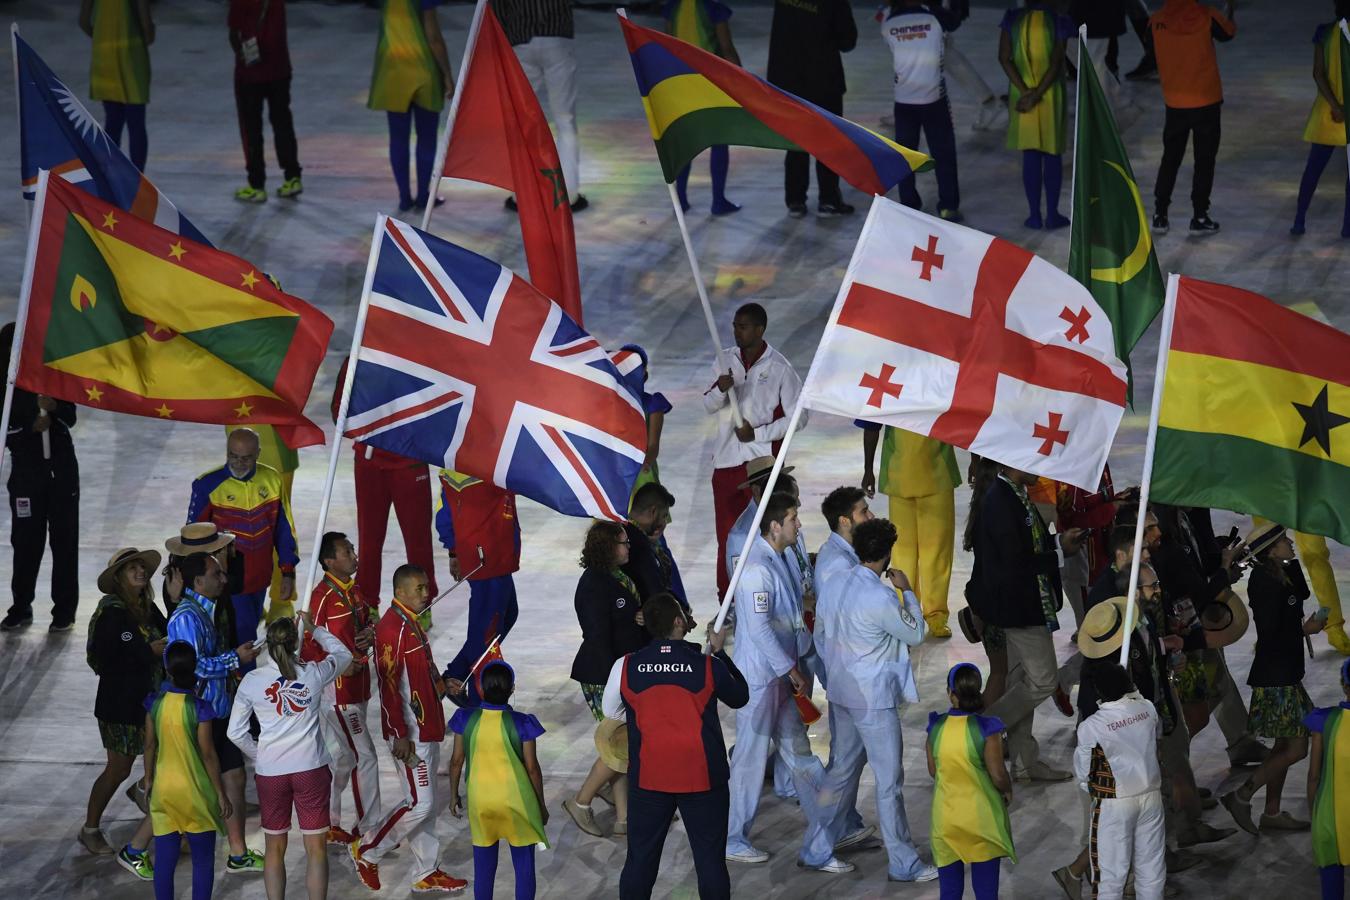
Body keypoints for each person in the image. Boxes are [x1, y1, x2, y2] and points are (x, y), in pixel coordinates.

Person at [803, 517, 936, 881]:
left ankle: (815, 847)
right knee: (889, 782)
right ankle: (903, 863)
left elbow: (822, 633)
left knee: (840, 773)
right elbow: (917, 633)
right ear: (887, 553)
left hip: (842, 693)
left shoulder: (833, 585)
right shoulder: (880, 597)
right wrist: (907, 592)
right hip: (873, 701)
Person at [603, 592, 750, 898]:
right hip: (703, 778)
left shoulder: (626, 666)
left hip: (649, 779)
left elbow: (611, 712)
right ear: (680, 622)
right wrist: (720, 653)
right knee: (710, 862)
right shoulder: (709, 666)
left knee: (640, 861)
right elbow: (740, 697)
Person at [725, 492, 829, 865]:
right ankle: (733, 837)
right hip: (761, 680)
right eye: (792, 518)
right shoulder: (757, 570)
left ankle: (834, 823)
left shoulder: (778, 559)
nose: (798, 524)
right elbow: (759, 629)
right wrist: (792, 669)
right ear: (774, 525)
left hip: (778, 678)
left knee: (799, 752)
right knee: (750, 761)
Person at [350, 565, 467, 893]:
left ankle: (426, 870)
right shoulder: (392, 631)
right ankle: (369, 851)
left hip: (425, 728)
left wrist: (442, 685)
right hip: (410, 736)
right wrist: (398, 733)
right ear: (399, 592)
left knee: (422, 802)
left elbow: (417, 675)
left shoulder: (409, 624)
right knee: (421, 804)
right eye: (418, 588)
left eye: (427, 587)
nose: (425, 593)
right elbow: (389, 687)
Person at [971, 465, 1085, 781]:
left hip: (1021, 605)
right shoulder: (1001, 501)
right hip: (1018, 609)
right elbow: (1014, 563)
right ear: (1012, 461)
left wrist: (1057, 542)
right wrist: (1059, 552)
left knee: (1020, 682)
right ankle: (975, 733)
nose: (1043, 469)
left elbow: (1028, 545)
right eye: (1034, 461)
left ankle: (1025, 762)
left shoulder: (1014, 494)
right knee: (1045, 681)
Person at [229, 614, 352, 900]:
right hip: (311, 769)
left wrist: (261, 754)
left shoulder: (251, 681)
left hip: (271, 773)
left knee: (274, 848)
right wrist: (315, 629)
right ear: (296, 643)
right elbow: (343, 654)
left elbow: (235, 733)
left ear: (267, 645)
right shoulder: (313, 672)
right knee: (316, 849)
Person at [164, 549, 265, 874]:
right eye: (217, 574)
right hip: (198, 717)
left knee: (235, 776)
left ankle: (237, 852)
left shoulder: (206, 611)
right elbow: (193, 666)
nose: (224, 579)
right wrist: (235, 659)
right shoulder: (186, 617)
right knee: (196, 787)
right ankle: (139, 846)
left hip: (219, 711)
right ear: (198, 581)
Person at [1222, 523, 1323, 835]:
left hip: (1286, 672)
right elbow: (1269, 631)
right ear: (1270, 550)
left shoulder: (1280, 572)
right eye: (1284, 541)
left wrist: (1290, 561)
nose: (1290, 542)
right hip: (1276, 676)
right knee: (1297, 748)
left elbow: (1302, 593)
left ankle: (1272, 812)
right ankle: (1241, 794)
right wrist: (1303, 630)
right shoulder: (1263, 581)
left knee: (1283, 745)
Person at [703, 303, 805, 598]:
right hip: (725, 464)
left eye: (743, 326)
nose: (737, 331)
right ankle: (729, 600)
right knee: (727, 538)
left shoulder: (780, 368)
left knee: (769, 533)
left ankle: (776, 595)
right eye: (735, 325)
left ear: (760, 330)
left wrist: (757, 434)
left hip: (762, 466)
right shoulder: (724, 361)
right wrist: (721, 390)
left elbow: (799, 418)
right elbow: (707, 405)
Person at [83, 548, 166, 872]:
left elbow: (168, 633)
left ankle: (144, 792)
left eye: (142, 567)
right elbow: (109, 659)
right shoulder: (112, 613)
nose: (141, 572)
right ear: (118, 577)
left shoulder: (148, 608)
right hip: (119, 704)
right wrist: (148, 651)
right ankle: (89, 828)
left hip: (147, 701)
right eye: (132, 568)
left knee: (159, 759)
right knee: (117, 768)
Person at [333, 361, 440, 609]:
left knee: (418, 541)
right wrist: (362, 424)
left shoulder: (416, 354)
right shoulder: (357, 358)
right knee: (369, 540)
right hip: (370, 464)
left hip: (409, 462)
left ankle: (422, 603)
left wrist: (413, 436)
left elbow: (434, 404)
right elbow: (340, 410)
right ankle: (367, 604)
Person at [564, 520, 647, 838]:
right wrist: (620, 682)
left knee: (622, 745)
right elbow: (598, 636)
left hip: (620, 672)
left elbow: (623, 617)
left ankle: (624, 818)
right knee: (618, 746)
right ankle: (581, 802)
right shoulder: (594, 585)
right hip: (604, 675)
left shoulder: (618, 577)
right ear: (607, 548)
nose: (629, 547)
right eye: (623, 542)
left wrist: (637, 617)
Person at [300, 531, 381, 845]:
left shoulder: (354, 590)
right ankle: (370, 829)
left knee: (343, 760)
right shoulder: (320, 598)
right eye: (347, 552)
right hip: (338, 692)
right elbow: (306, 645)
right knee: (366, 756)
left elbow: (367, 620)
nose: (354, 555)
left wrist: (370, 633)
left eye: (353, 550)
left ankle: (328, 823)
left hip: (359, 687)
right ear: (329, 561)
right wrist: (339, 665)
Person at [187, 427, 299, 650]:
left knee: (247, 631)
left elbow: (284, 531)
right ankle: (242, 680)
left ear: (258, 453)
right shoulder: (207, 484)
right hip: (226, 581)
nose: (238, 462)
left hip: (260, 577)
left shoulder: (272, 479)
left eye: (246, 457)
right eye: (232, 456)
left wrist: (287, 572)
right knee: (243, 638)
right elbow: (193, 536)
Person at [0, 323, 80, 633]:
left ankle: (64, 611)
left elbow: (70, 417)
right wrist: (26, 431)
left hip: (61, 473)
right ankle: (21, 607)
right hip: (26, 476)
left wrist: (54, 407)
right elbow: (4, 432)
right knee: (25, 543)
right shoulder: (5, 386)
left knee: (64, 542)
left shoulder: (50, 374)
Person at [448, 661, 548, 900]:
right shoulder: (523, 722)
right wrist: (541, 806)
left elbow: (456, 761)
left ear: (480, 688)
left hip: (480, 801)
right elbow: (532, 768)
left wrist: (453, 795)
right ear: (512, 689)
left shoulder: (464, 718)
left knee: (483, 870)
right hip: (517, 802)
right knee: (524, 869)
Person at [144, 640, 230, 900]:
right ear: (194, 669)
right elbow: (208, 754)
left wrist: (149, 781)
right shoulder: (200, 708)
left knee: (164, 863)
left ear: (168, 670)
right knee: (203, 862)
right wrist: (221, 793)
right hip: (195, 793)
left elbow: (149, 745)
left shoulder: (154, 703)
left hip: (164, 792)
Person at [1073, 660, 1166, 900]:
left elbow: (1084, 771)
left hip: (1113, 803)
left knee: (1110, 875)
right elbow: (1156, 740)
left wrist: (1091, 791)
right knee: (1152, 868)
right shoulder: (1147, 709)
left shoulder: (1091, 727)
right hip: (1151, 795)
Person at [860, 423, 960, 637]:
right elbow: (871, 423)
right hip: (902, 474)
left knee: (936, 551)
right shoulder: (895, 388)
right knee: (903, 552)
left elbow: (963, 414)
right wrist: (868, 469)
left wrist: (978, 462)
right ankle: (906, 614)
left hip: (935, 472)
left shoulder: (939, 387)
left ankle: (936, 615)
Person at [926, 663, 1014, 899]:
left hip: (946, 820)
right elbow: (998, 775)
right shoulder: (987, 728)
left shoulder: (935, 727)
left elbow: (933, 770)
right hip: (981, 820)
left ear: (950, 693)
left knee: (950, 892)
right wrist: (1007, 790)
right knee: (986, 893)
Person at [1148, 0, 1237, 236]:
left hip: (1175, 103)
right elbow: (1228, 32)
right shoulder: (1207, 17)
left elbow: (1150, 46)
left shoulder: (1156, 21)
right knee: (1204, 161)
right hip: (1206, 101)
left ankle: (1160, 214)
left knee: (1170, 159)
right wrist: (1231, 7)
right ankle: (1199, 215)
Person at [766, 0, 858, 217]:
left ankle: (796, 200)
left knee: (797, 142)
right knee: (829, 141)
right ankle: (828, 199)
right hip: (824, 79)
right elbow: (848, 40)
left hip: (789, 82)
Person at [435, 470, 519, 704]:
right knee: (486, 633)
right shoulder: (483, 464)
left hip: (497, 557)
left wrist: (453, 549)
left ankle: (455, 675)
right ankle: (475, 701)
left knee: (507, 616)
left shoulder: (481, 460)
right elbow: (446, 509)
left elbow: (444, 510)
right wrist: (453, 549)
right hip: (486, 559)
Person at [496, 0, 587, 211]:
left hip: (520, 41)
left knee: (521, 122)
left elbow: (498, 9)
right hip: (557, 38)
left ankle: (520, 194)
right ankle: (570, 195)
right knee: (565, 121)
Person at [368, 0, 455, 211]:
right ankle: (424, 196)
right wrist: (447, 74)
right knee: (426, 138)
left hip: (393, 71)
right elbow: (434, 38)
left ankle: (404, 198)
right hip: (424, 73)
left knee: (398, 138)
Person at [999, 1, 1074, 229]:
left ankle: (1034, 215)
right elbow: (1057, 62)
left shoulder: (1012, 18)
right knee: (1052, 154)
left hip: (1021, 94)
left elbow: (1004, 57)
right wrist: (1038, 93)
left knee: (1030, 154)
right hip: (1050, 95)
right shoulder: (1059, 20)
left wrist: (1025, 92)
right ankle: (1052, 214)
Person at [884, 0, 962, 221]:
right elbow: (954, 21)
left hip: (904, 100)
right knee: (944, 154)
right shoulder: (936, 18)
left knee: (905, 156)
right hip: (933, 98)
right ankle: (948, 205)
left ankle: (909, 205)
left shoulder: (889, 23)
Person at [665, 0, 741, 215]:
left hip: (680, 85)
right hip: (710, 85)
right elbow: (727, 49)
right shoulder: (713, 7)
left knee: (685, 144)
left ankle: (680, 200)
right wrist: (743, 82)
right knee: (719, 142)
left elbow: (665, 46)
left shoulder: (673, 7)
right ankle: (718, 201)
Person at [228, 0, 303, 202]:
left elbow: (234, 33)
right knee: (282, 122)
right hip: (279, 68)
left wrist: (243, 55)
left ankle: (256, 184)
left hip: (251, 74)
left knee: (251, 128)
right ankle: (293, 176)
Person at [1291, 1, 1350, 237]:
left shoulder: (1324, 32)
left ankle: (1299, 219)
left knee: (1313, 171)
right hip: (1342, 114)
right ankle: (1347, 227)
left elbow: (1318, 73)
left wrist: (1335, 105)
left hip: (1327, 114)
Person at [79, 0, 153, 171]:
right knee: (136, 123)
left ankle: (109, 175)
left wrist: (101, 36)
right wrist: (147, 34)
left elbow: (83, 21)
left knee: (112, 122)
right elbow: (146, 24)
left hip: (105, 56)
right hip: (132, 56)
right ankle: (138, 178)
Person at [1304, 658, 1350, 899]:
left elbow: (1314, 777)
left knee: (1331, 890)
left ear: (1344, 685)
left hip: (1329, 820)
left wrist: (1315, 815)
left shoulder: (1324, 721)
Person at [620, 344, 673, 499]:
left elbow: (653, 446)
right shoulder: (613, 403)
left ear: (643, 371)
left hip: (642, 471)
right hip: (617, 471)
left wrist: (643, 466)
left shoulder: (653, 404)